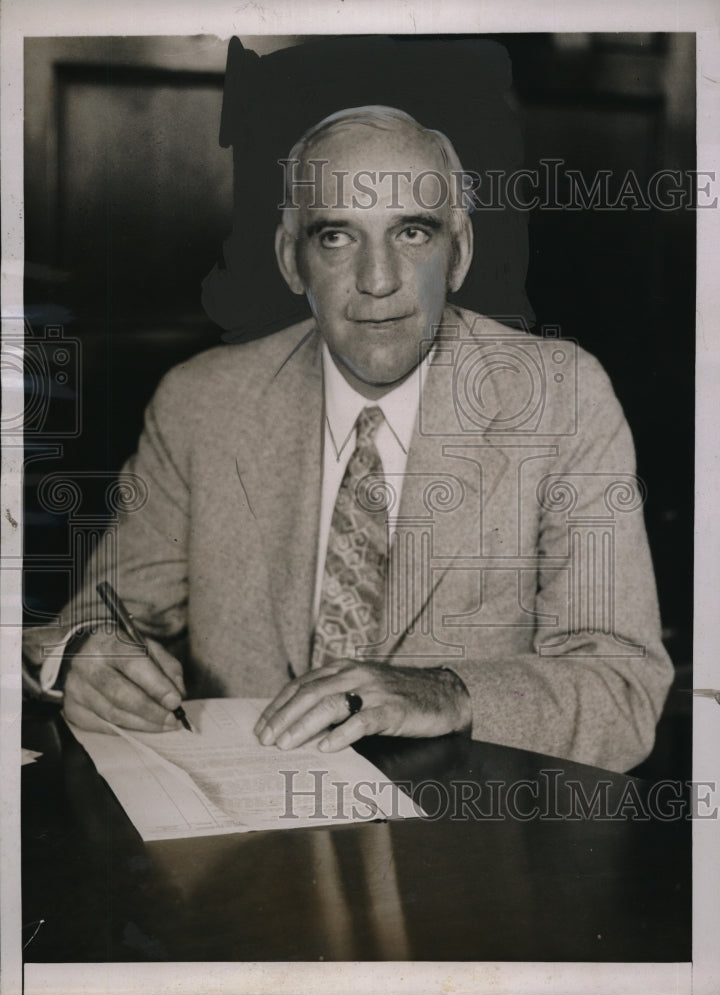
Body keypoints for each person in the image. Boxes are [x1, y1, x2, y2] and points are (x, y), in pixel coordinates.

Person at [22, 106, 673, 771]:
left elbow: (622, 688)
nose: (378, 279)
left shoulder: (561, 398)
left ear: (459, 252)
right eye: (336, 237)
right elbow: (89, 622)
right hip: (240, 818)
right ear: (291, 260)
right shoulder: (201, 402)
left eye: (412, 232)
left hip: (461, 823)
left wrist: (449, 691)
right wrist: (84, 658)